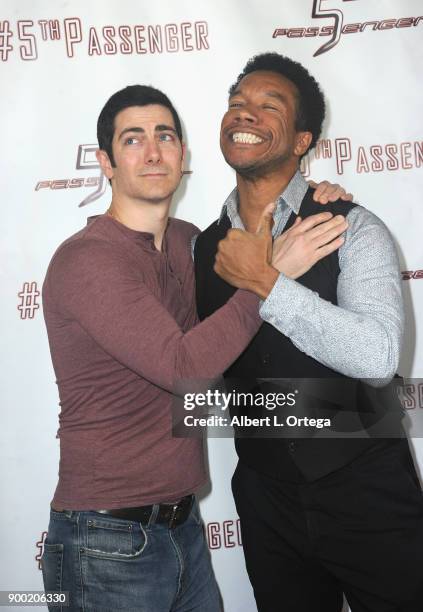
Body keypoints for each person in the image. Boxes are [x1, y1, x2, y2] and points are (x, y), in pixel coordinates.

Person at [41, 84, 348, 612]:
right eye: (132, 139)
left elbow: (262, 231)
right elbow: (186, 367)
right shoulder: (88, 261)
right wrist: (268, 280)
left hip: (180, 527)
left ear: (183, 155)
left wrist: (311, 195)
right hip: (104, 539)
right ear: (106, 162)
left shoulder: (189, 243)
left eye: (165, 135)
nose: (153, 151)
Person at [194, 53, 423, 612]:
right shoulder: (201, 247)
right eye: (237, 103)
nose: (245, 114)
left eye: (268, 106)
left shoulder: (349, 224)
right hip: (265, 500)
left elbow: (377, 356)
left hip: (369, 491)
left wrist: (269, 286)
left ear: (301, 141)